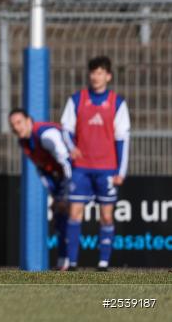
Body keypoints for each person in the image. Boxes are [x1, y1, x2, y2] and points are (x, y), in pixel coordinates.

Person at [60, 56, 130, 271]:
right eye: (93, 72)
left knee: (107, 216)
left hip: (107, 169)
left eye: (100, 72)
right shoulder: (77, 99)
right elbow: (65, 129)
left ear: (108, 76)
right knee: (74, 214)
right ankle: (72, 263)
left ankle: (103, 263)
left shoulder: (117, 103)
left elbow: (123, 139)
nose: (95, 76)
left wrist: (121, 171)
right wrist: (72, 148)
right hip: (81, 168)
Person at [8, 107, 72, 270]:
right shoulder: (24, 142)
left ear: (29, 121)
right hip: (61, 176)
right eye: (12, 125)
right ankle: (64, 261)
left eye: (19, 122)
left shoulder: (45, 134)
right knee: (60, 217)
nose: (16, 127)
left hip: (79, 170)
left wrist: (65, 194)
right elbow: (41, 169)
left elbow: (67, 162)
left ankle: (79, 262)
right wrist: (54, 194)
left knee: (70, 212)